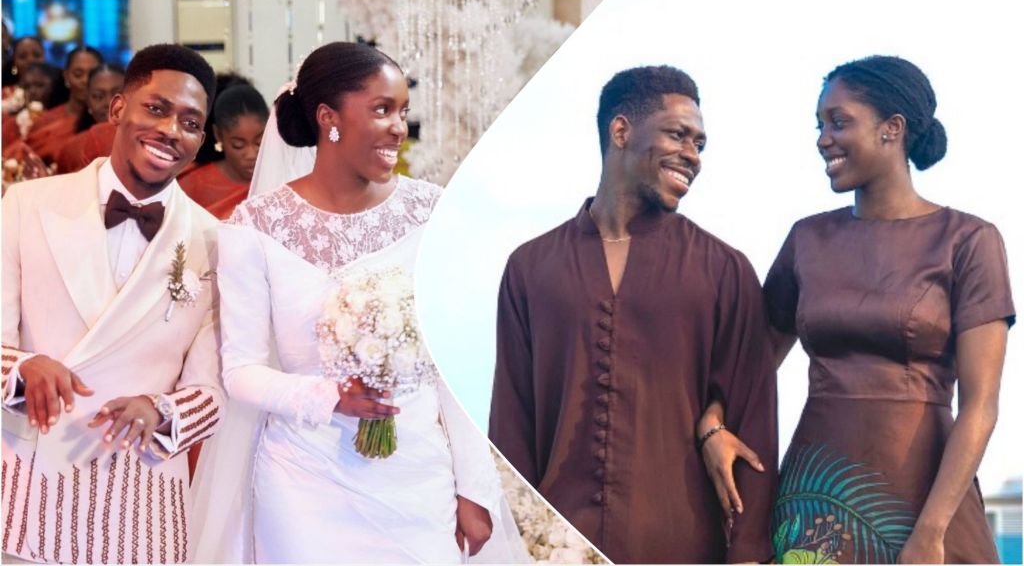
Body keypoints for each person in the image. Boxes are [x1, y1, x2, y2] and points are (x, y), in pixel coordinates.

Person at [191, 41, 526, 564]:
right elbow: (240, 371)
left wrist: (475, 487)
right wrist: (328, 397)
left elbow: (455, 370)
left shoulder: (431, 215)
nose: (399, 127)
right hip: (303, 484)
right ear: (330, 118)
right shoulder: (254, 228)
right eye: (382, 109)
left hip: (416, 483)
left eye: (403, 112)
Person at [700, 56, 1014, 564]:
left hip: (928, 501)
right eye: (819, 124)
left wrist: (931, 532)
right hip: (816, 497)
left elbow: (981, 405)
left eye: (839, 121)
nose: (823, 138)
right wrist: (713, 424)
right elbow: (751, 364)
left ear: (893, 129)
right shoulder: (807, 239)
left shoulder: (969, 241)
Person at [489, 65, 778, 564]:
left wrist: (748, 553)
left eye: (700, 144)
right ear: (620, 131)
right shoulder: (531, 268)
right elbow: (511, 423)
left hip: (684, 547)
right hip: (556, 546)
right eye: (678, 135)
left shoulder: (725, 271)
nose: (692, 155)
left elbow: (754, 426)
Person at [1, 43, 224, 564]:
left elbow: (214, 388)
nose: (172, 130)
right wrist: (23, 369)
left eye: (191, 122)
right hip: (27, 490)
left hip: (140, 506)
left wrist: (162, 411)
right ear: (118, 107)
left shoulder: (215, 240)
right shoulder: (26, 205)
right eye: (157, 108)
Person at [178, 83, 268, 219]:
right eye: (238, 145)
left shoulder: (284, 178)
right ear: (218, 135)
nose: (251, 155)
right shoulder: (192, 184)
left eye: (259, 143)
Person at [24, 45, 102, 164]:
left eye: (91, 74)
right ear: (66, 76)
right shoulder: (45, 122)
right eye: (78, 74)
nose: (85, 80)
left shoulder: (113, 122)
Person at [55, 64, 125, 174]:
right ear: (88, 101)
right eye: (98, 97)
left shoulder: (146, 141)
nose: (108, 103)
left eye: (117, 95)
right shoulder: (72, 148)